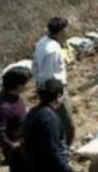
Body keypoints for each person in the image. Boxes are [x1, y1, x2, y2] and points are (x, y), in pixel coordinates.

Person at [32, 17, 75, 146]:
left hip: (42, 86)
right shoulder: (53, 50)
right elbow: (50, 75)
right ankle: (65, 147)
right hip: (54, 90)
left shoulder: (42, 43)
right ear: (61, 32)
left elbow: (35, 66)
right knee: (67, 123)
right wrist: (56, 95)